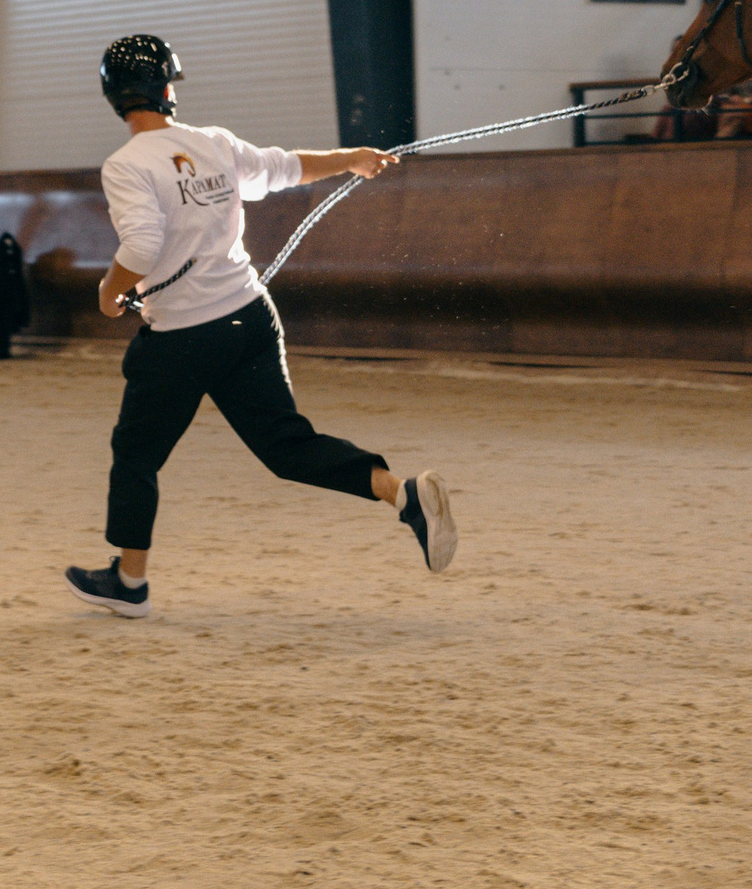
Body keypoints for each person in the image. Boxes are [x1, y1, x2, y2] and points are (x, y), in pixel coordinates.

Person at [64, 34, 458, 619]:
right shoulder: (212, 143)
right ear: (169, 88)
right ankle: (401, 494)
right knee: (287, 446)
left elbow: (143, 244)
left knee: (137, 454)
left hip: (181, 337)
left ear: (112, 98)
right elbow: (285, 168)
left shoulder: (126, 165)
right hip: (250, 317)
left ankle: (130, 582)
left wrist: (107, 293)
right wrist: (352, 156)